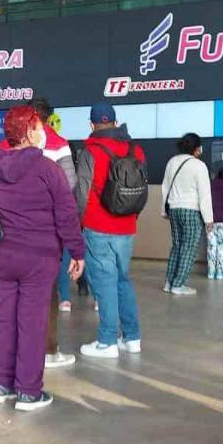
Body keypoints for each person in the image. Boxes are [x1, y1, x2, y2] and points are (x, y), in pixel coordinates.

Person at [0, 107, 85, 410]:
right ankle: (28, 391)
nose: (43, 133)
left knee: (2, 318)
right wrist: (77, 252)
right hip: (39, 258)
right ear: (28, 132)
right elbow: (66, 214)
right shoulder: (47, 169)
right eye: (39, 127)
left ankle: (0, 384)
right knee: (32, 322)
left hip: (1, 254)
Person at [0, 96, 80, 367]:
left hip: (5, 238)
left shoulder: (3, 146)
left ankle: (5, 368)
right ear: (47, 119)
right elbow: (69, 186)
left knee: (6, 307)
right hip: (44, 238)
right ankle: (47, 352)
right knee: (44, 298)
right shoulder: (59, 144)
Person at [75, 102, 146, 358]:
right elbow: (141, 189)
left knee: (104, 282)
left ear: (91, 124)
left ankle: (107, 341)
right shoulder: (136, 149)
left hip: (97, 224)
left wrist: (77, 222)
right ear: (115, 122)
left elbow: (82, 192)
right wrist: (132, 216)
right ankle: (132, 338)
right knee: (123, 280)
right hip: (127, 225)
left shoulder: (90, 151)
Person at [161, 133, 213, 296]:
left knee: (177, 246)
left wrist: (163, 210)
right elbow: (204, 194)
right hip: (191, 210)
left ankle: (169, 282)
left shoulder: (172, 162)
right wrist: (209, 219)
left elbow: (165, 187)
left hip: (174, 209)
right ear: (196, 148)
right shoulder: (199, 166)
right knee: (189, 247)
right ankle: (178, 284)